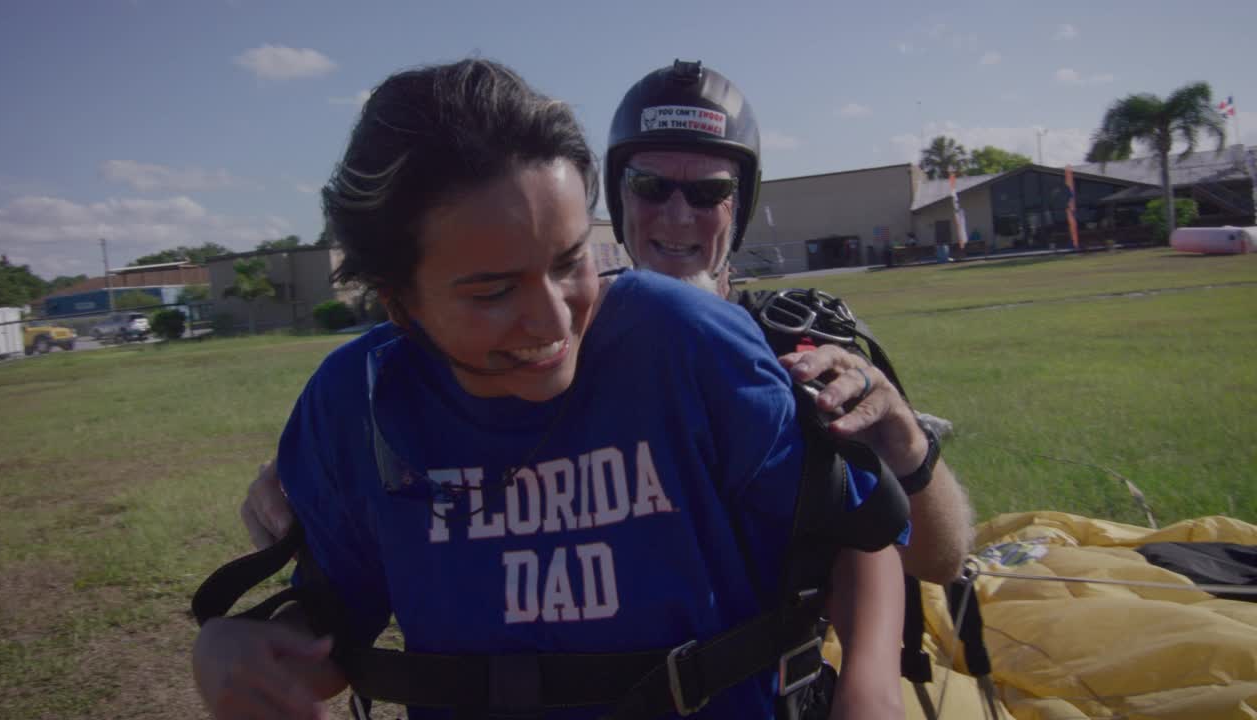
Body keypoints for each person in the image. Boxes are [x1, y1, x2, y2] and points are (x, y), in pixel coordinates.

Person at [194, 59, 904, 720]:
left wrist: (870, 690)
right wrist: (242, 649)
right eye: (493, 291)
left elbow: (856, 537)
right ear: (399, 302)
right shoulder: (362, 400)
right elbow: (330, 629)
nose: (553, 319)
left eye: (571, 262)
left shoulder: (685, 343)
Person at [241, 60, 973, 584]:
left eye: (708, 190)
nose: (676, 214)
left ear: (740, 203)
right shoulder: (552, 331)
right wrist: (322, 467)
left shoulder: (799, 347)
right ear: (615, 196)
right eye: (650, 186)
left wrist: (900, 436)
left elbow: (935, 561)